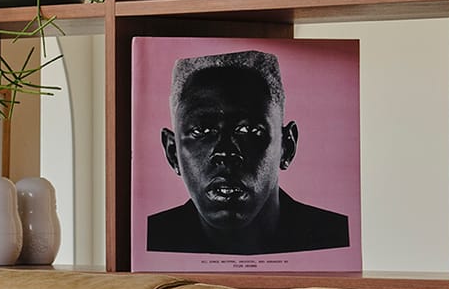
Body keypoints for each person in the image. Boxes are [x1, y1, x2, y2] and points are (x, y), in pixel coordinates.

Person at [146, 48, 349, 256]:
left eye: (248, 130)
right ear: (172, 152)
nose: (225, 153)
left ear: (287, 146)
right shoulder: (148, 240)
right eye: (202, 131)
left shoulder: (336, 238)